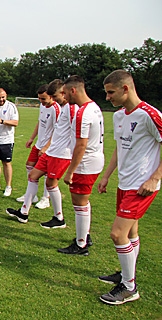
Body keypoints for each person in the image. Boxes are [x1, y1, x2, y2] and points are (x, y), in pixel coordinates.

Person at [97, 70, 161, 305]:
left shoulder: (150, 114)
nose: (107, 98)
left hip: (142, 186)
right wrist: (106, 176)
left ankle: (129, 287)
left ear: (126, 89)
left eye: (110, 92)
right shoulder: (119, 116)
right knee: (131, 233)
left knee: (117, 233)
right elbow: (119, 148)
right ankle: (126, 275)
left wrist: (154, 178)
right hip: (125, 183)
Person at [6, 80, 77, 226]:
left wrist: (48, 147)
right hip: (50, 150)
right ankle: (24, 213)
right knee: (32, 174)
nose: (54, 99)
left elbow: (75, 135)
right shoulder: (63, 107)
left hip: (60, 153)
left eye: (54, 96)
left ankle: (58, 216)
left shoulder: (70, 109)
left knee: (51, 183)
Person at [57, 75, 104, 256]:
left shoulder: (82, 113)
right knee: (82, 202)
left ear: (73, 90)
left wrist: (71, 171)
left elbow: (81, 144)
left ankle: (81, 244)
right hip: (95, 159)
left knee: (79, 202)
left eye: (65, 92)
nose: (65, 96)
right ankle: (85, 235)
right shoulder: (94, 107)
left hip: (86, 164)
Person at [15, 84, 58, 209]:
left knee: (45, 172)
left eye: (43, 99)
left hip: (49, 147)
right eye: (39, 98)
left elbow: (57, 131)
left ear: (51, 96)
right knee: (29, 165)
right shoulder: (42, 106)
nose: (41, 101)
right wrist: (32, 138)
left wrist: (46, 147)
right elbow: (40, 122)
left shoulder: (56, 109)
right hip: (39, 143)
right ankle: (32, 195)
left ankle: (45, 198)